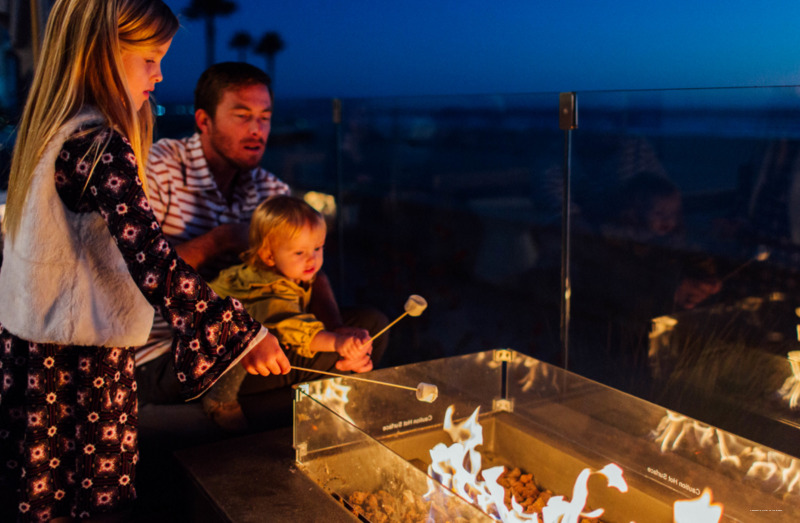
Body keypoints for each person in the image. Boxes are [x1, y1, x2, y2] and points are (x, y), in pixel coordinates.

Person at [0, 1, 290, 520]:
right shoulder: (99, 146)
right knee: (96, 505)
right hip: (79, 366)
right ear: (100, 52)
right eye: (150, 58)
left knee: (42, 499)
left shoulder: (51, 132)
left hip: (29, 355)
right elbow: (155, 263)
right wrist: (243, 332)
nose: (159, 75)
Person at [134, 62, 343, 406]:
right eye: (242, 116)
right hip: (166, 349)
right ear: (204, 121)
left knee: (369, 327)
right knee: (308, 360)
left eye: (264, 117)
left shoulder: (270, 189)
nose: (257, 130)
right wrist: (224, 238)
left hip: (258, 329)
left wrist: (336, 329)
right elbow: (135, 275)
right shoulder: (159, 168)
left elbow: (309, 267)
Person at [202, 195, 388, 431]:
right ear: (269, 255)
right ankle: (220, 400)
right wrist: (339, 342)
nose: (312, 259)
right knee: (246, 335)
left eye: (318, 248)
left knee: (373, 324)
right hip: (207, 357)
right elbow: (295, 328)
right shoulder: (270, 289)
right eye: (299, 253)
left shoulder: (286, 273)